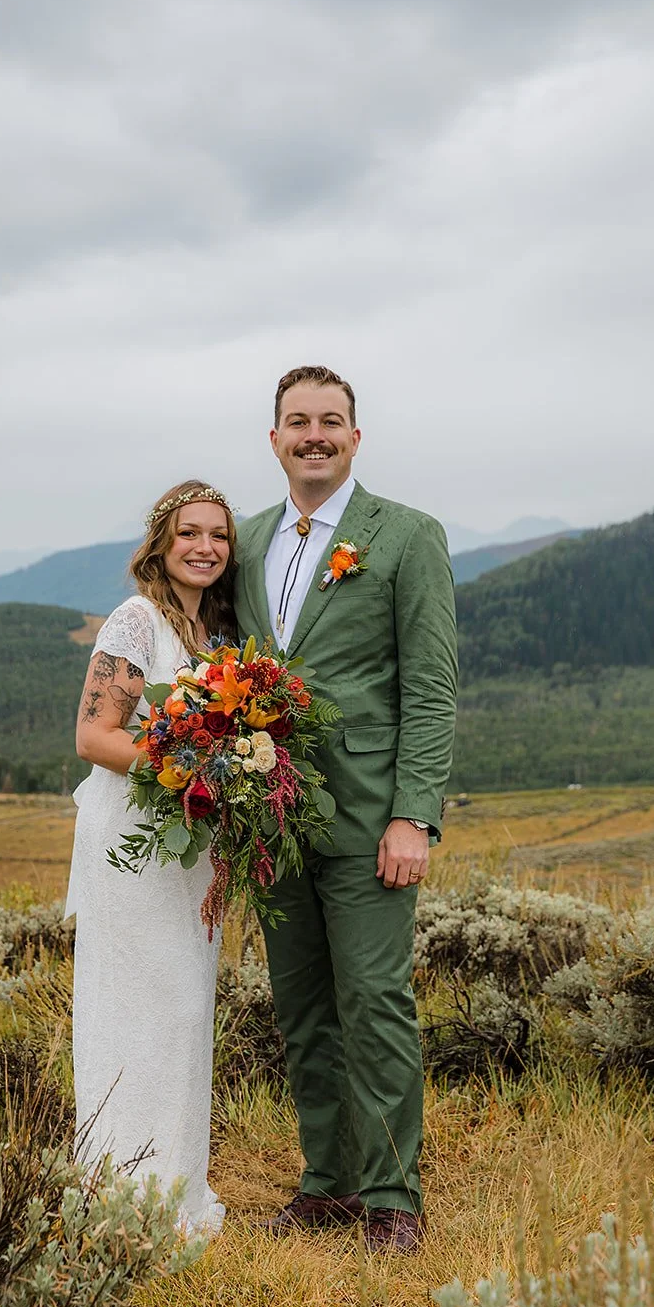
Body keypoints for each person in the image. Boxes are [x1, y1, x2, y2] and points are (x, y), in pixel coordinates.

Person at [233, 365, 458, 1254]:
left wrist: (415, 815)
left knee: (374, 1001)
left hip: (370, 815)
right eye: (297, 421)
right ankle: (324, 1184)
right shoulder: (248, 541)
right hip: (273, 817)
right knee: (301, 1008)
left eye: (331, 421)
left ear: (355, 437)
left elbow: (431, 690)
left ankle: (392, 1195)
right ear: (276, 439)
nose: (314, 435)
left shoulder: (403, 537)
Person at [65, 479, 237, 1238]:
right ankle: (118, 1196)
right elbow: (96, 737)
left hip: (189, 849)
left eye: (219, 537)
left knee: (183, 1013)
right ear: (161, 544)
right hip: (132, 845)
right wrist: (187, 765)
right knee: (133, 1010)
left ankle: (174, 1191)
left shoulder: (218, 643)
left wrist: (223, 845)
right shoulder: (135, 622)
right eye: (190, 533)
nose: (205, 547)